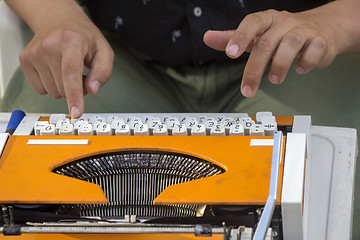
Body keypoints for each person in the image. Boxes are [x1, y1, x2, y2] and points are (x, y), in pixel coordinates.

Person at [1, 0, 360, 125]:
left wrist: (333, 22)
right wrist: (55, 15)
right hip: (113, 58)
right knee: (30, 160)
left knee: (332, 172)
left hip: (299, 58)